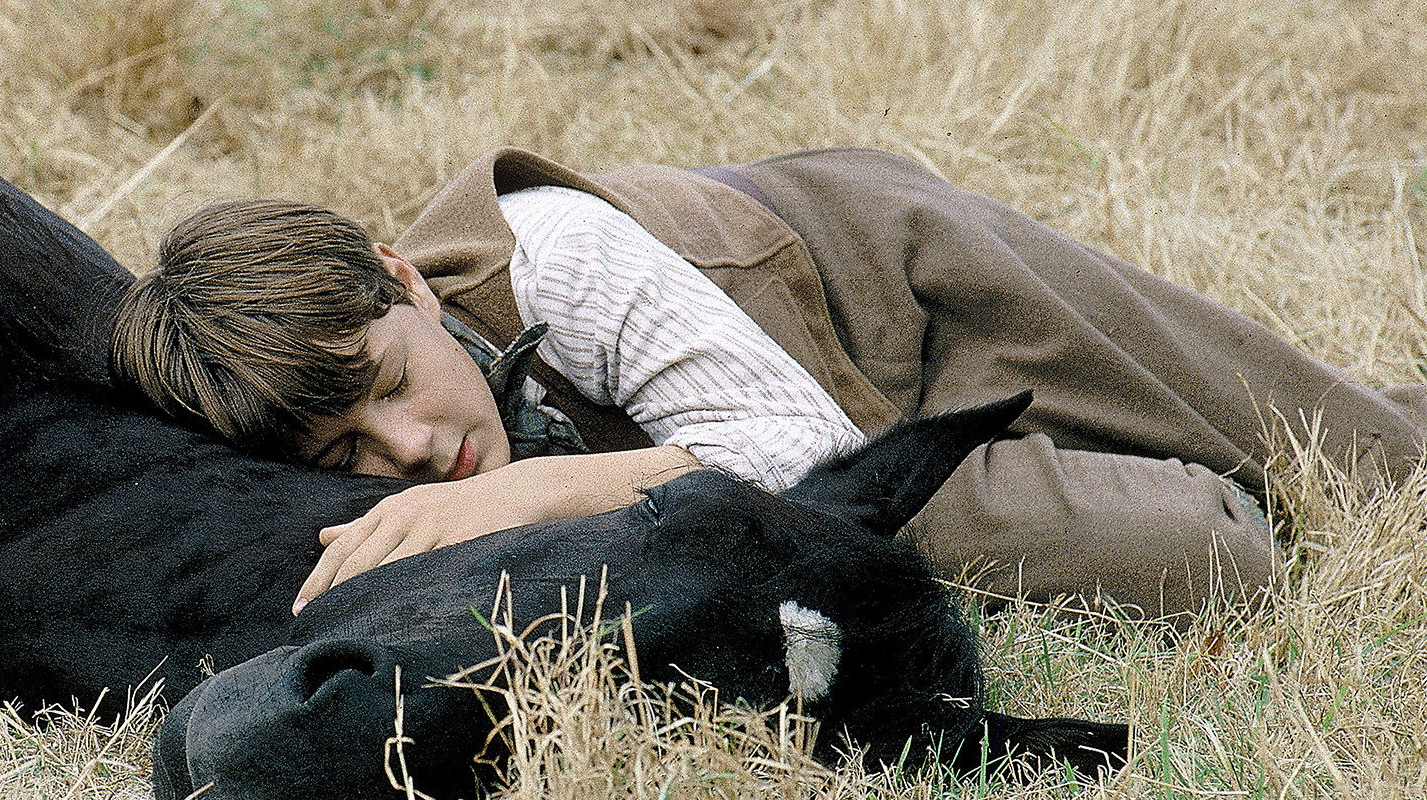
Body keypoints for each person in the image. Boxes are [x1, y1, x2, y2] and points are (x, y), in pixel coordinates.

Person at [111, 146, 1427, 619]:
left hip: (912, 299)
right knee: (1208, 555)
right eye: (346, 451)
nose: (406, 446)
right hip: (862, 446)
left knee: (1352, 463)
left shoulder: (552, 261)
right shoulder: (399, 438)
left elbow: (795, 457)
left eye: (391, 381)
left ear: (403, 279)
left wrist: (522, 500)